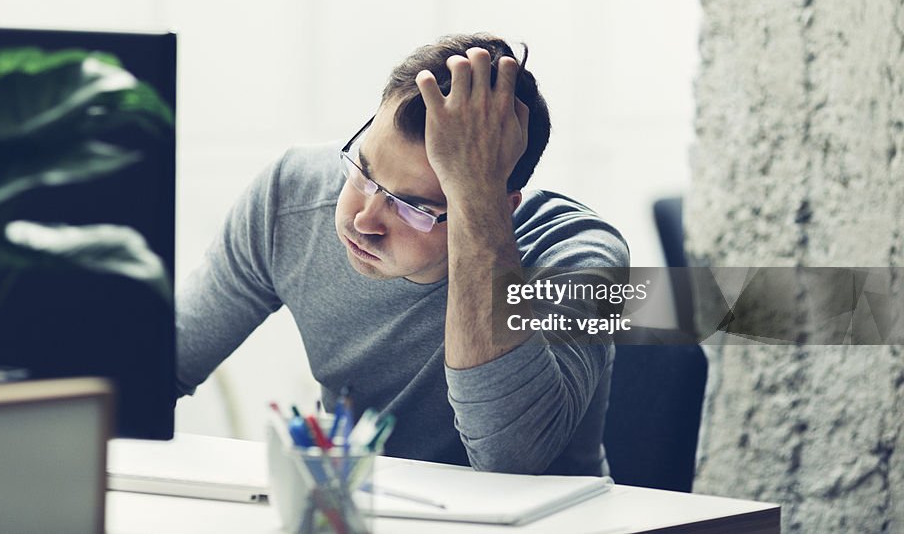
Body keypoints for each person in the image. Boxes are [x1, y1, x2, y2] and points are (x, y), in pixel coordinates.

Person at [176, 33, 628, 475]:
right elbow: (157, 369)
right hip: (354, 508)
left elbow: (510, 461)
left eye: (414, 207)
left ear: (501, 207)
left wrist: (475, 196)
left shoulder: (585, 256)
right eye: (364, 170)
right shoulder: (290, 195)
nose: (363, 221)